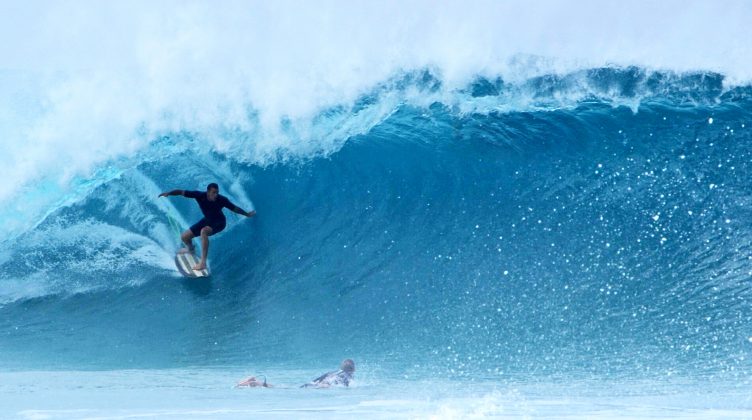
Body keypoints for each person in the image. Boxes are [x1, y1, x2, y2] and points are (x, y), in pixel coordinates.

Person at [159, 183, 255, 270]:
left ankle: (203, 263)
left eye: (217, 192)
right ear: (208, 192)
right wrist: (169, 193)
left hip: (220, 222)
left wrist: (247, 214)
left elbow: (234, 208)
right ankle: (190, 249)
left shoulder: (222, 200)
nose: (216, 195)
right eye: (213, 192)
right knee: (184, 237)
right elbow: (181, 192)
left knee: (203, 231)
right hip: (207, 220)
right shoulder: (199, 195)